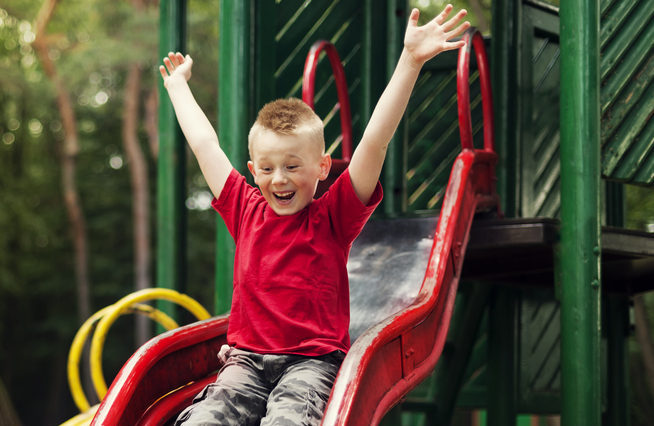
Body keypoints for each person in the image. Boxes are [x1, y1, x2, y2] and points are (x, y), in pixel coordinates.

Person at [158, 4, 470, 425]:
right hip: (244, 364)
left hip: (311, 366)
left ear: (323, 167)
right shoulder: (244, 208)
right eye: (266, 168)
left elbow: (375, 142)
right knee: (204, 420)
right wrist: (178, 87)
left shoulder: (333, 216)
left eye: (292, 165)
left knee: (289, 421)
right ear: (253, 171)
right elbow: (204, 144)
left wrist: (410, 61)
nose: (279, 178)